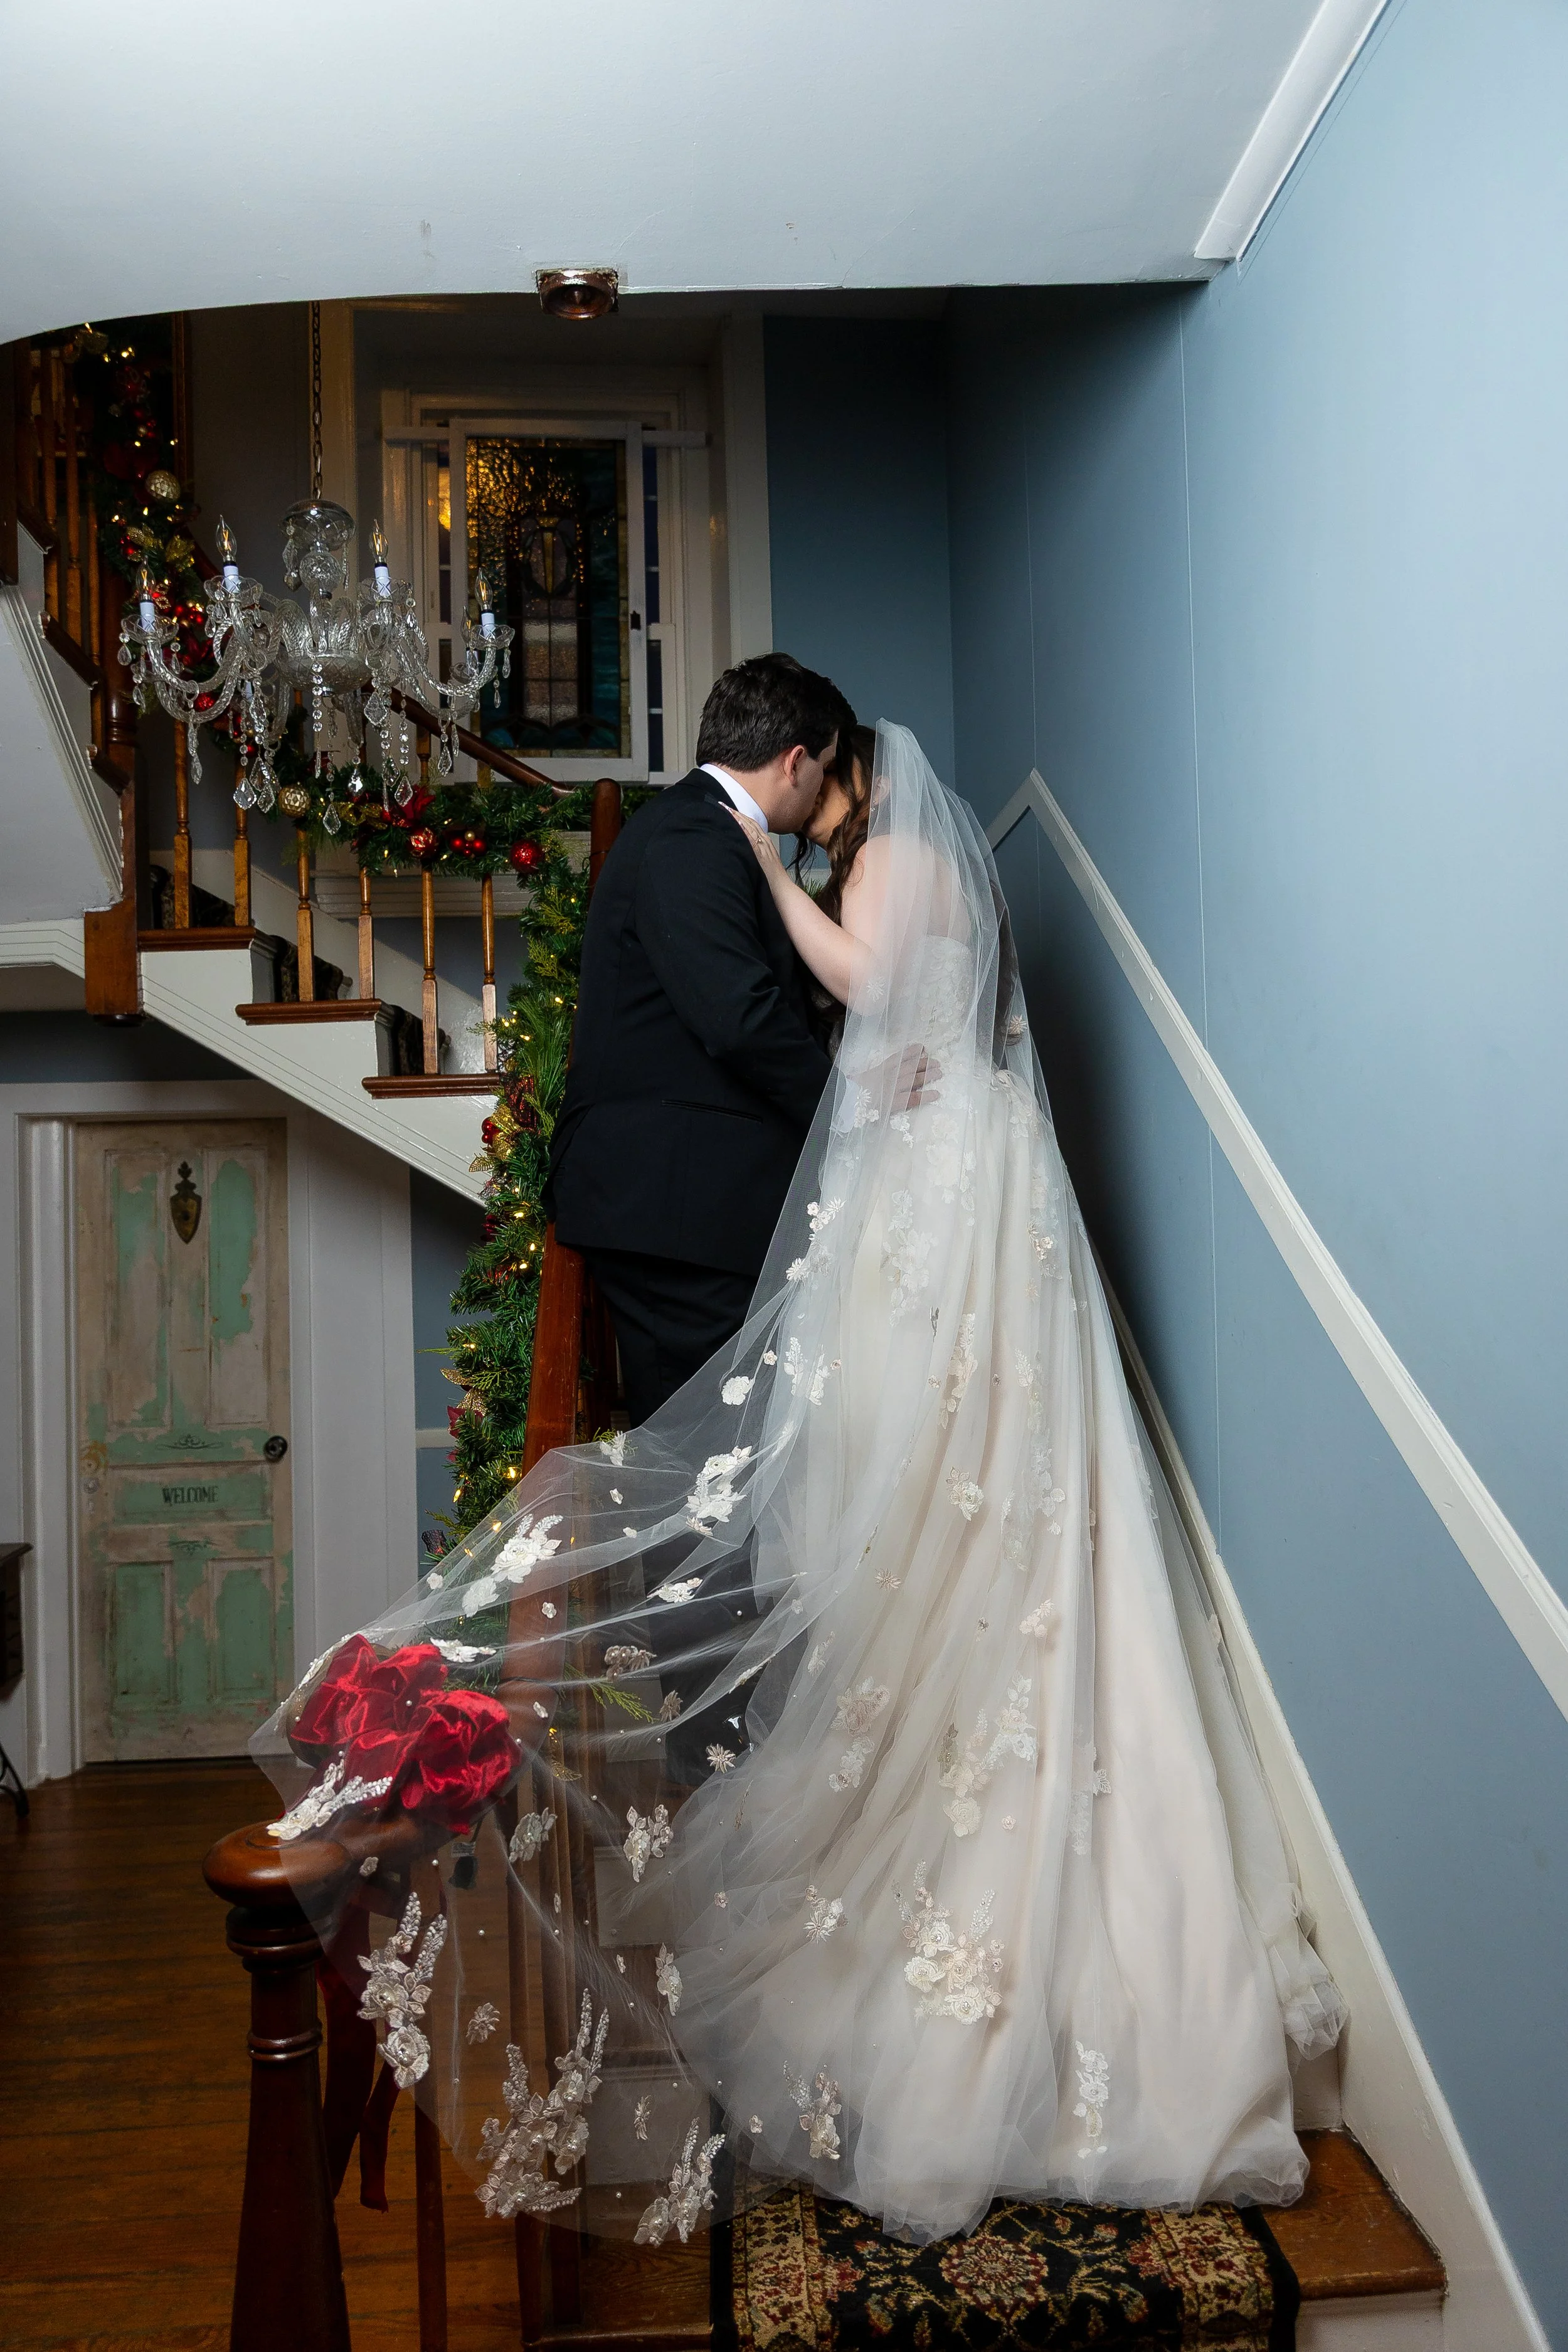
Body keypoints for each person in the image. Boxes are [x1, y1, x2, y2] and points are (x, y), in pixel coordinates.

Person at [258, 722, 1344, 2250]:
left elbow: (851, 985)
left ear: (839, 773)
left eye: (819, 809)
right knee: (952, 1478)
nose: (818, 830)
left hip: (941, 1172)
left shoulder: (886, 854)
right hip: (969, 1173)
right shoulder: (916, 865)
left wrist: (775, 872)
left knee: (920, 1476)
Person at [544, 652, 846, 1428]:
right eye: (823, 773)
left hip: (689, 1206)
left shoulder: (701, 832)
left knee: (728, 1456)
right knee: (710, 1464)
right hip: (676, 1210)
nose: (818, 799)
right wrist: (853, 1106)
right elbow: (736, 1016)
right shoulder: (692, 834)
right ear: (794, 761)